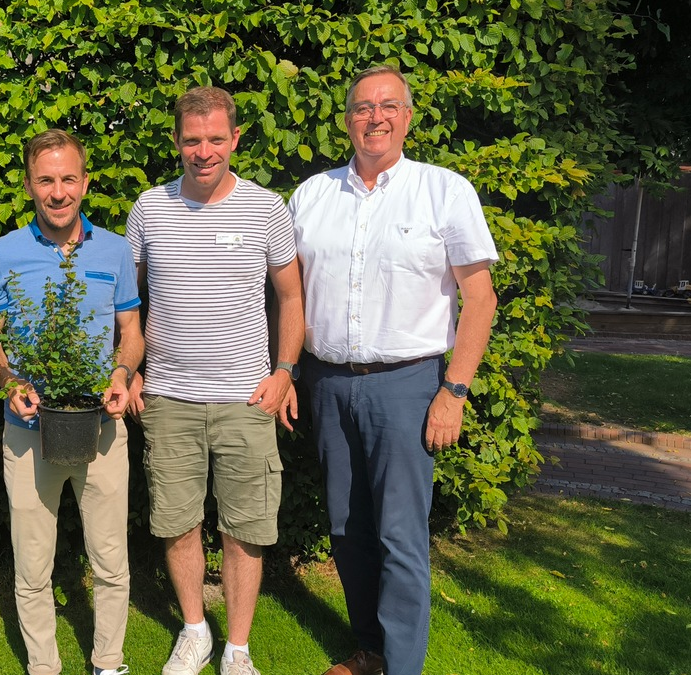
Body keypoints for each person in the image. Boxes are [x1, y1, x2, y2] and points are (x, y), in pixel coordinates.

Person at [288, 65, 499, 675]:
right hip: (328, 383)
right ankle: (371, 652)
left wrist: (454, 390)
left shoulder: (444, 191)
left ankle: (404, 666)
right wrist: (288, 371)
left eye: (387, 106)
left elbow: (480, 298)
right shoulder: (312, 196)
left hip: (407, 385)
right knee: (347, 528)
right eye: (362, 107)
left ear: (407, 117)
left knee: (400, 536)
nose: (374, 117)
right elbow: (288, 294)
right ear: (347, 120)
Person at [125, 86, 305, 675]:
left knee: (244, 528)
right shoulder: (149, 209)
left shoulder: (266, 209)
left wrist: (284, 372)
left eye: (216, 139)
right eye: (192, 140)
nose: (204, 151)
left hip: (246, 398)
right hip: (168, 397)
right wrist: (129, 370)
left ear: (236, 139)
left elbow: (291, 297)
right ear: (177, 141)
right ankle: (195, 631)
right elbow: (128, 301)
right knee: (178, 522)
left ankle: (238, 649)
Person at [0, 129, 143, 675]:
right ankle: (43, 667)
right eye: (45, 180)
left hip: (102, 427)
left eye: (68, 178)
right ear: (29, 185)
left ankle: (108, 662)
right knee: (32, 566)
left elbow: (131, 332)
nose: (58, 191)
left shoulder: (115, 250)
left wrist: (122, 372)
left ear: (85, 182)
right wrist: (10, 383)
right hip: (29, 432)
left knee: (111, 560)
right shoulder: (1, 255)